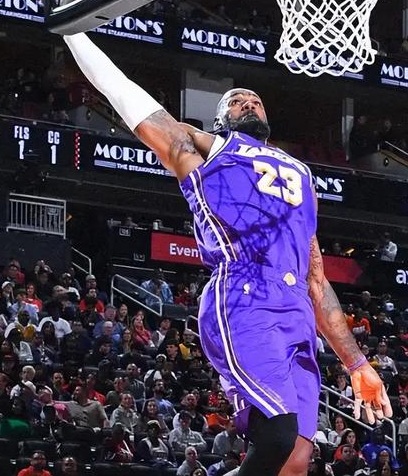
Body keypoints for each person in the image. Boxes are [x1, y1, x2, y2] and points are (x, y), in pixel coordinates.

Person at [66, 33, 391, 476]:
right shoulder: (205, 155)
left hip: (295, 310)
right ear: (220, 122)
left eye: (256, 101)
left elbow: (316, 279)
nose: (249, 103)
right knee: (276, 435)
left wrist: (356, 362)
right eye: (237, 101)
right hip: (244, 296)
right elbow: (124, 93)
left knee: (295, 461)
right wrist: (73, 33)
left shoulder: (301, 175)